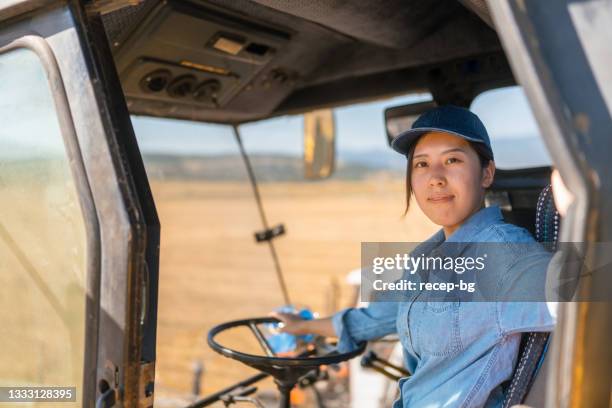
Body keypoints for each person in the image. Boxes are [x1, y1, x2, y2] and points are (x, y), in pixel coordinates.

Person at [273, 105, 556, 407]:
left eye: (452, 160)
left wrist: (575, 200)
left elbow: (585, 298)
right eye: (421, 164)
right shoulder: (426, 260)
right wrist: (302, 326)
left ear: (486, 173)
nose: (435, 177)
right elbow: (372, 319)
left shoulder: (504, 254)